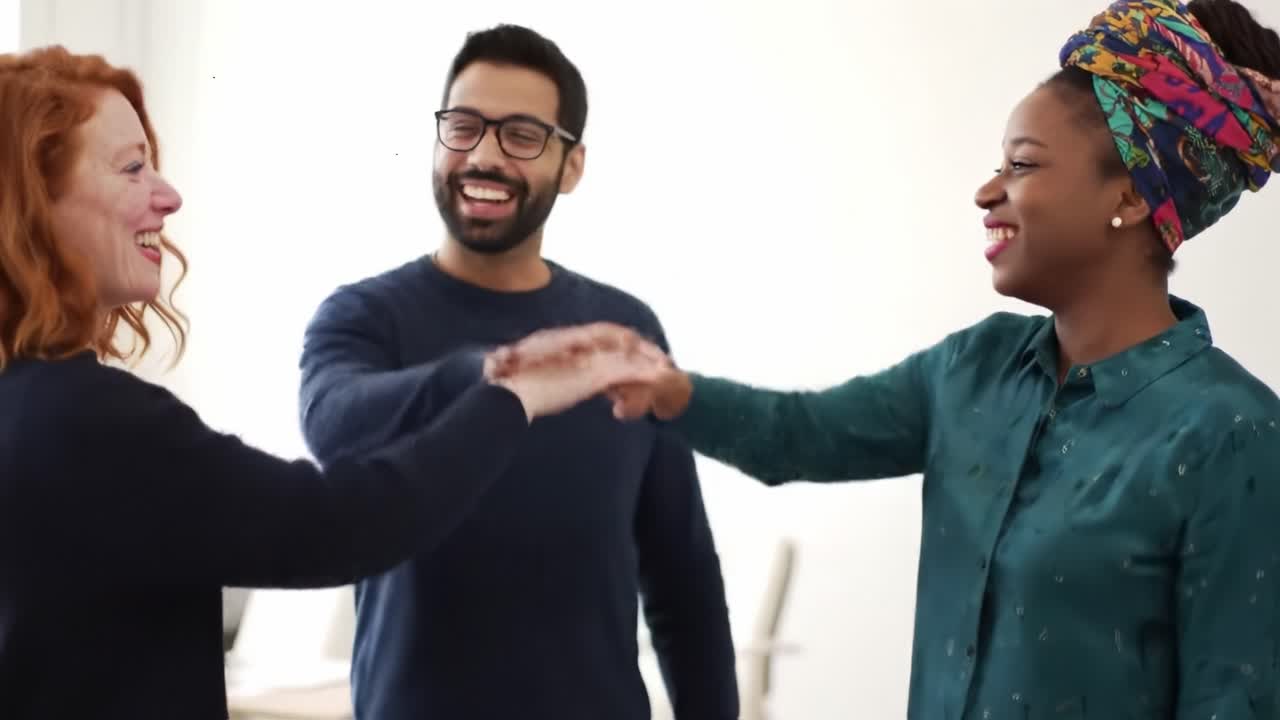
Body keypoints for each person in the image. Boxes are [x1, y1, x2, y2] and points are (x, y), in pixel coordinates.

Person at [489, 1, 1280, 717]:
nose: (986, 191)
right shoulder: (974, 369)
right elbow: (803, 433)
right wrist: (662, 387)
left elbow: (1234, 700)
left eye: (1024, 163)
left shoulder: (1234, 436)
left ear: (1132, 196)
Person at [0, 46, 648, 720]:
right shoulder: (84, 421)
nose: (168, 195)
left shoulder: (29, 410)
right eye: (132, 168)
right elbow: (338, 522)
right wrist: (516, 392)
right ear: (30, 201)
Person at [296, 24, 737, 720]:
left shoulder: (625, 332)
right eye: (463, 127)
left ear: (572, 165)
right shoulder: (365, 317)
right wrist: (498, 375)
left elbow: (680, 569)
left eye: (522, 136)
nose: (484, 156)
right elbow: (335, 429)